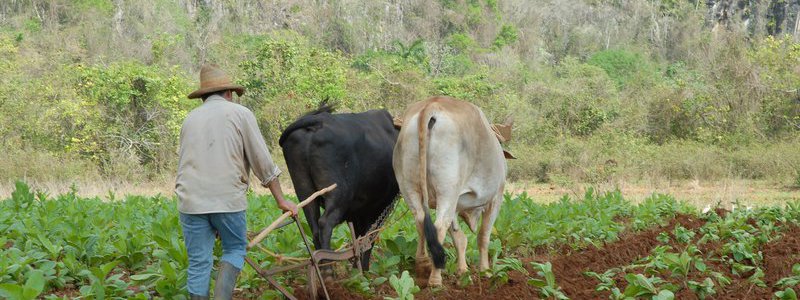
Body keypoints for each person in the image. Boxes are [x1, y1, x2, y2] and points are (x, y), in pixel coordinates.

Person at [175, 64, 298, 300]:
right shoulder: (240, 114)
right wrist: (281, 200)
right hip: (227, 200)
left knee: (199, 263)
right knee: (234, 249)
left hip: (190, 202)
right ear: (229, 93)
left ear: (202, 97)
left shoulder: (189, 119)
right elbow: (263, 162)